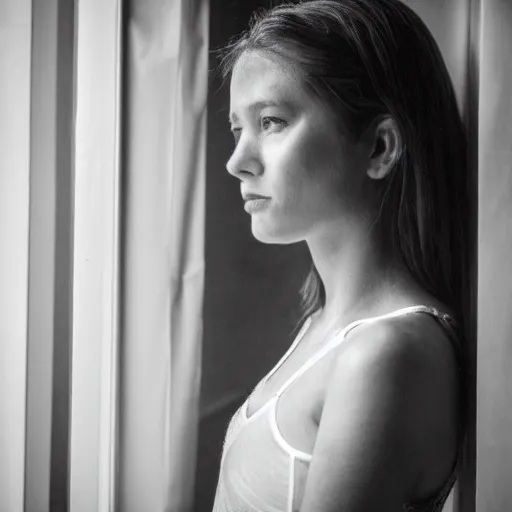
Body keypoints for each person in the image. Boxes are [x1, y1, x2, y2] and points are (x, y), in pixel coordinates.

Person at [213, 0, 468, 510]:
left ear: (379, 148)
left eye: (272, 121)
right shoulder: (327, 324)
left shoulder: (386, 354)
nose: (237, 162)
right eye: (238, 129)